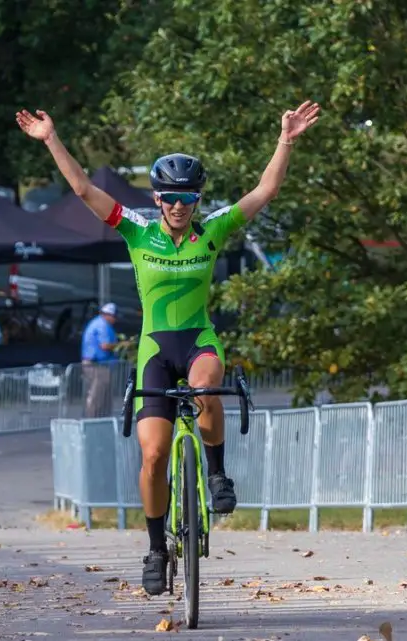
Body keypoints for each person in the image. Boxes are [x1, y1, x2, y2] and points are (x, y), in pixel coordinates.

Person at [17, 100, 321, 595]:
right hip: (155, 351)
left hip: (198, 339)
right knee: (154, 456)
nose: (178, 206)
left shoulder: (213, 229)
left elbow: (265, 191)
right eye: (169, 197)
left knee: (207, 385)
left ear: (198, 199)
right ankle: (157, 548)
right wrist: (52, 138)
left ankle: (218, 475)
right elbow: (82, 189)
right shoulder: (136, 232)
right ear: (156, 199)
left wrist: (285, 139)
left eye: (187, 197)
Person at [81, 302, 122, 418]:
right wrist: (121, 345)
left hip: (99, 365)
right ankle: (93, 421)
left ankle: (101, 419)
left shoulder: (99, 323)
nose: (115, 320)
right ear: (108, 315)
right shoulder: (102, 325)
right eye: (114, 317)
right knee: (97, 396)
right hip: (97, 366)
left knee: (102, 395)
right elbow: (105, 345)